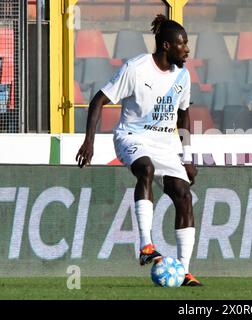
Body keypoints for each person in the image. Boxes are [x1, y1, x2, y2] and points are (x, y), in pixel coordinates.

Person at [75, 14, 202, 286]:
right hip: (132, 136)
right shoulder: (136, 68)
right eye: (183, 44)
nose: (187, 49)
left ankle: (183, 270)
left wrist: (187, 156)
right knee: (146, 168)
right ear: (166, 46)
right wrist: (89, 141)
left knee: (184, 195)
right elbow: (99, 100)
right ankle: (146, 246)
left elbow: (184, 116)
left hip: (166, 143)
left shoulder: (183, 75)